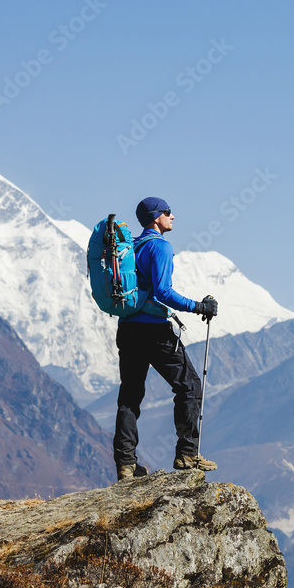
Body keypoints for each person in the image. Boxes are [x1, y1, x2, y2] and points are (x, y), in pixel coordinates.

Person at [113, 196, 219, 482]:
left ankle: (125, 465)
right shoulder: (159, 246)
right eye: (168, 212)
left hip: (128, 328)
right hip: (154, 330)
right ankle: (187, 453)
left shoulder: (131, 247)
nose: (173, 217)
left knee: (130, 397)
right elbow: (163, 292)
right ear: (156, 217)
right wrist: (199, 307)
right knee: (189, 386)